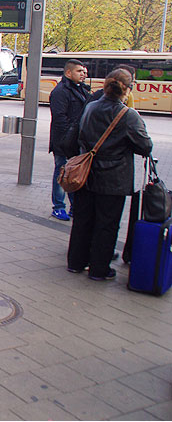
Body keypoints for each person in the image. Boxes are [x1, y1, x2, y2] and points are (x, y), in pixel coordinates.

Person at [66, 68, 152, 281]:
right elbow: (145, 146)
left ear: (105, 86)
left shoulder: (91, 107)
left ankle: (76, 262)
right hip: (113, 178)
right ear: (128, 90)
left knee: (83, 220)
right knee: (107, 224)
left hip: (85, 174)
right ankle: (99, 269)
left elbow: (79, 135)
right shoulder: (128, 115)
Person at [49, 59, 90, 221]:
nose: (84, 74)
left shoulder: (81, 90)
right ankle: (58, 206)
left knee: (73, 174)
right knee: (62, 172)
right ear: (68, 73)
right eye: (80, 71)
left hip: (75, 141)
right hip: (64, 142)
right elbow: (60, 119)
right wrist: (69, 140)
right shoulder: (61, 91)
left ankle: (74, 206)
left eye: (84, 72)